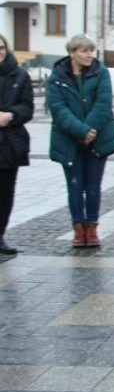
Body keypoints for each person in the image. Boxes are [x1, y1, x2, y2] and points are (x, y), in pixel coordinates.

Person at [47, 34, 114, 248]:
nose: (90, 55)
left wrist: (90, 129)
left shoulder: (101, 72)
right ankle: (78, 229)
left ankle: (92, 228)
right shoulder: (57, 76)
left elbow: (104, 104)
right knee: (74, 186)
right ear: (72, 53)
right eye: (85, 51)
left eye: (92, 50)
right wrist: (81, 131)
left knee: (93, 186)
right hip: (69, 140)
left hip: (98, 139)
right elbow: (58, 109)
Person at [0, 34, 34, 255]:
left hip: (9, 143)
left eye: (1, 47)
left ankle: (0, 234)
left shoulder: (19, 74)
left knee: (5, 193)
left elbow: (27, 107)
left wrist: (11, 115)